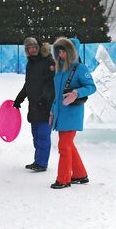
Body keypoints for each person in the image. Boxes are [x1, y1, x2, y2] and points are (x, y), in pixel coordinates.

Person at [49, 37, 96, 189]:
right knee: (68, 145)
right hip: (60, 113)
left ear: (72, 52)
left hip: (73, 113)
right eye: (59, 51)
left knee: (64, 145)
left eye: (64, 51)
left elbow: (91, 87)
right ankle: (80, 174)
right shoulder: (59, 68)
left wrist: (76, 92)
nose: (61, 54)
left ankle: (63, 179)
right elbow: (57, 94)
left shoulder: (80, 68)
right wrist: (52, 111)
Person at [13, 37, 55, 172]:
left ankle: (42, 163)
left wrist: (45, 98)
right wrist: (19, 98)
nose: (32, 50)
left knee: (43, 135)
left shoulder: (48, 61)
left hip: (45, 105)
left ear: (39, 47)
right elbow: (28, 84)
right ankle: (38, 161)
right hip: (34, 105)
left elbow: (51, 84)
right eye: (29, 48)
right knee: (36, 134)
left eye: (34, 47)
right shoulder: (30, 63)